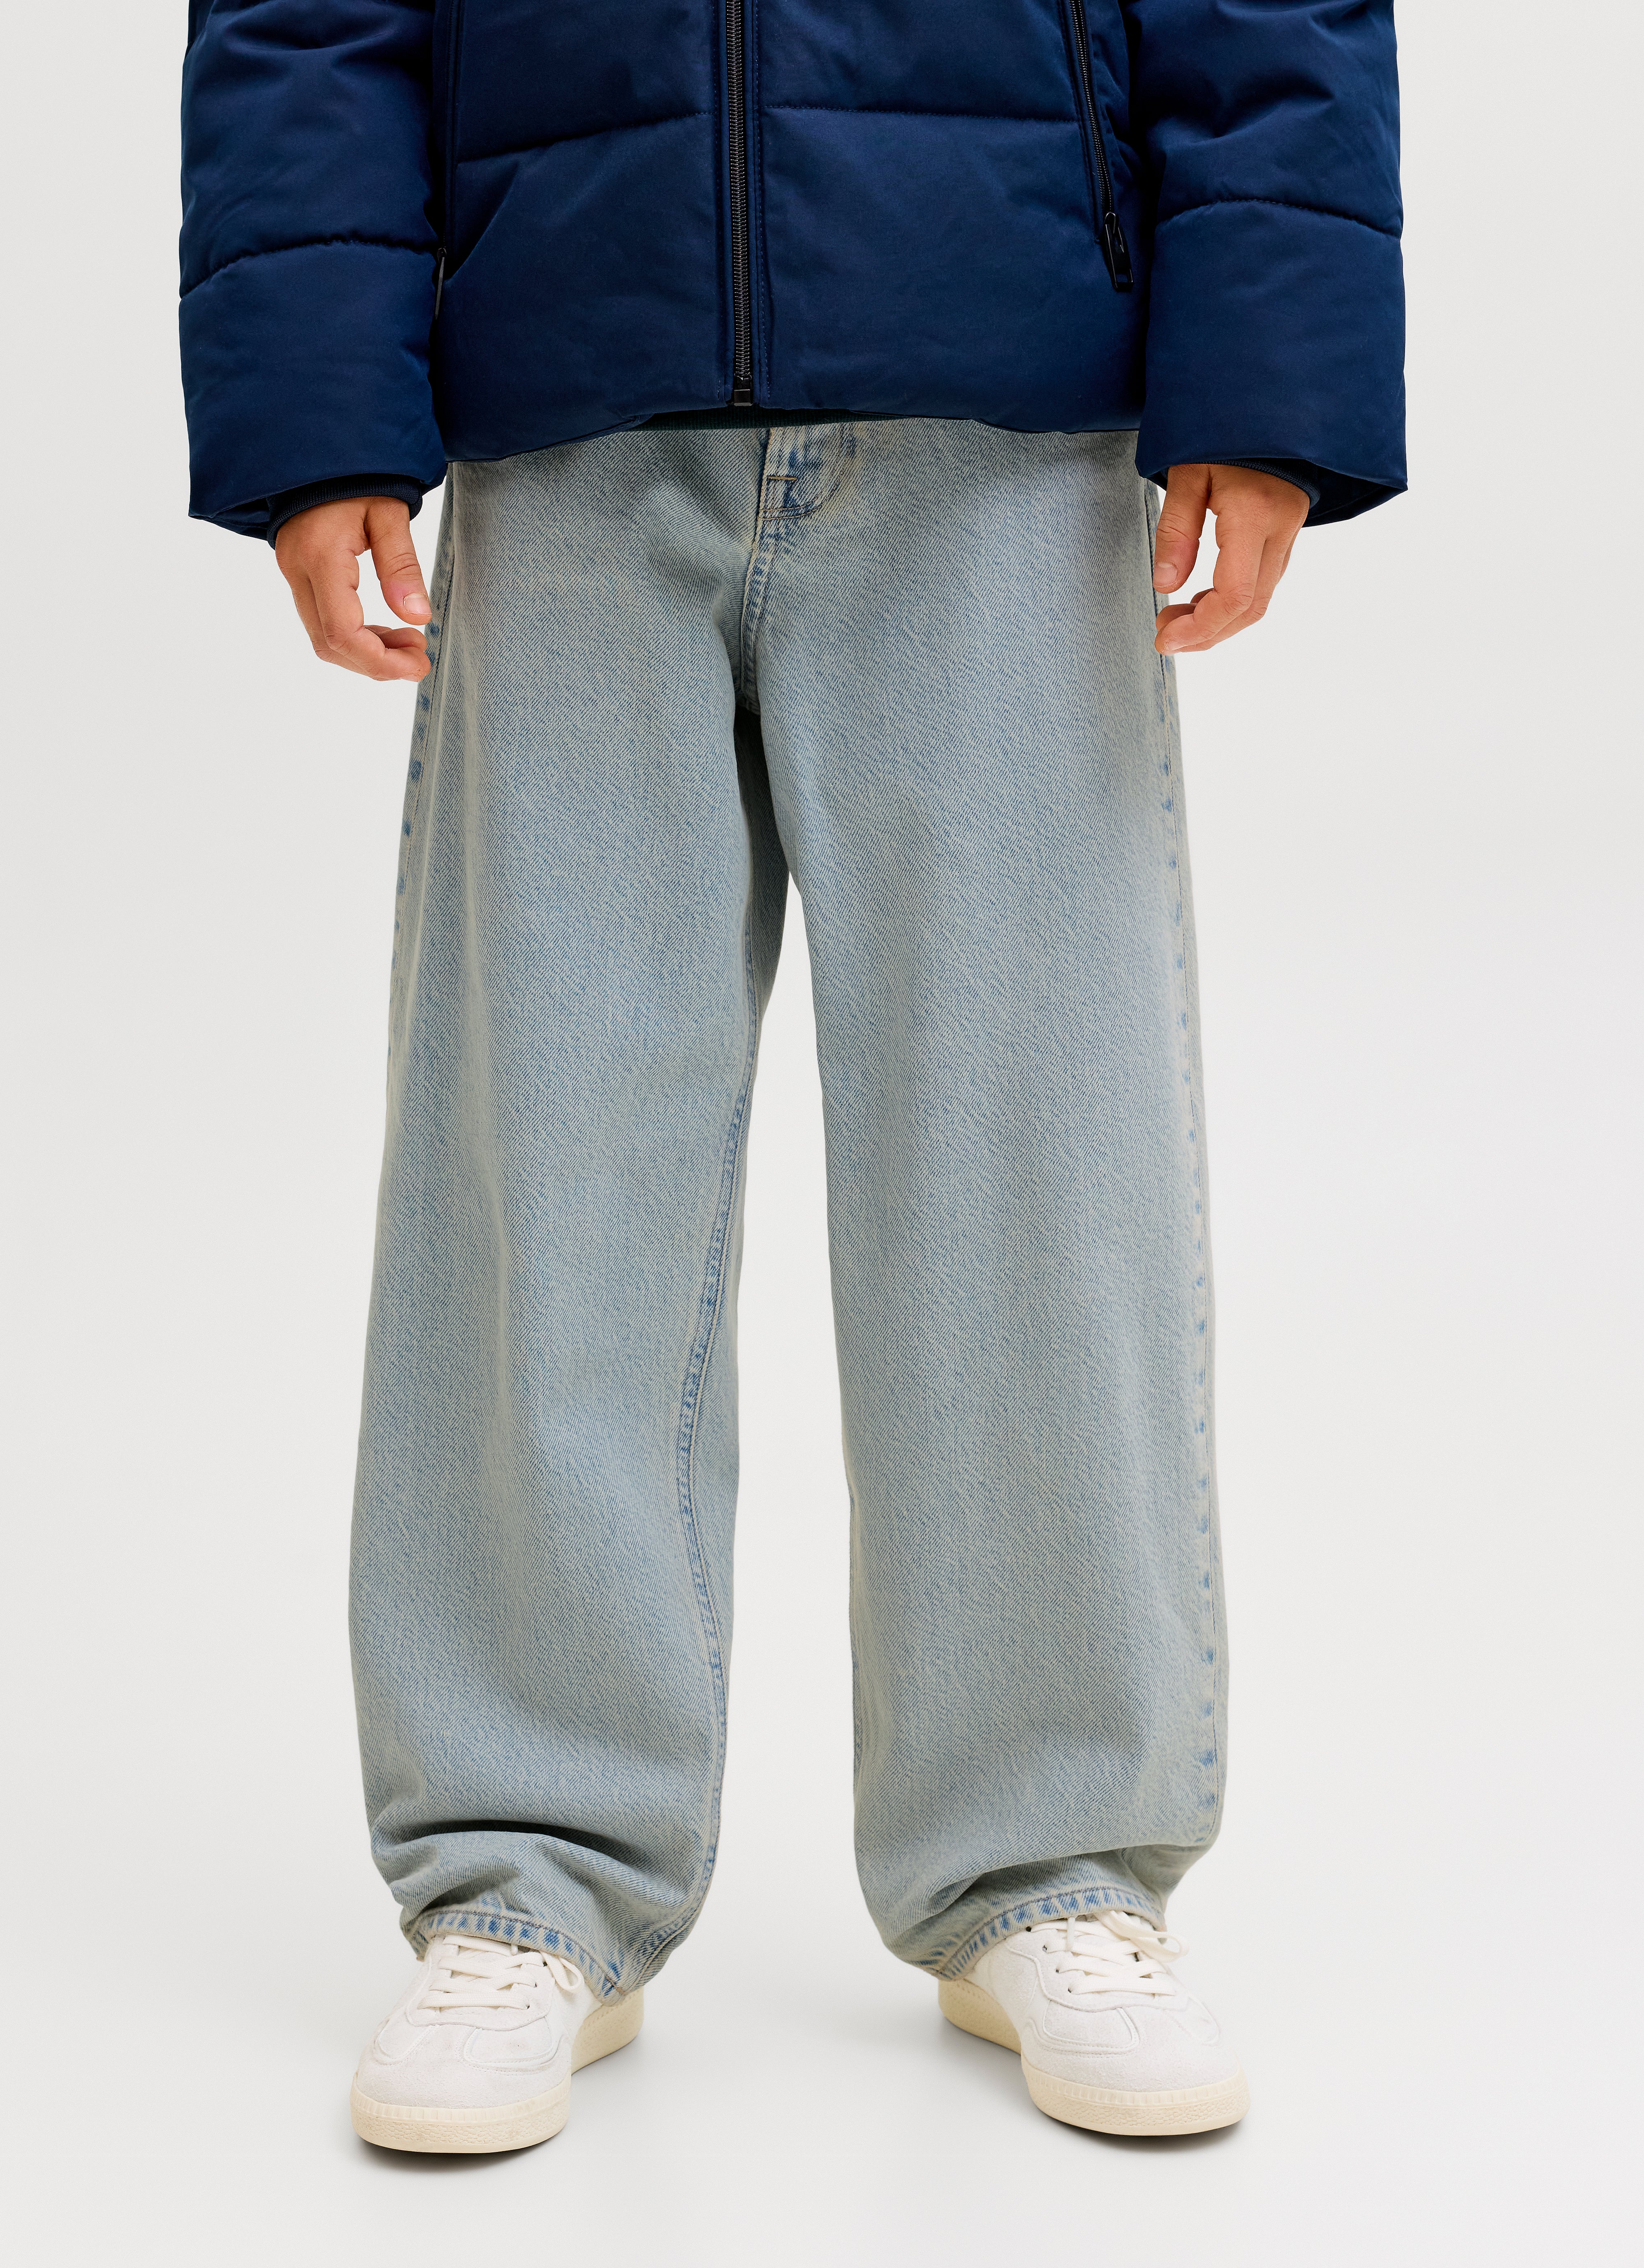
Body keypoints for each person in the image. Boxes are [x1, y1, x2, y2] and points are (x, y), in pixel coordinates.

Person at [180, 0, 1403, 2151]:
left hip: (1008, 364)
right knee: (544, 1170)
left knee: (1032, 1162)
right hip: (567, 360)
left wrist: (1268, 365)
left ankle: (1049, 1863)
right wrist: (316, 401)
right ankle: (527, 1873)